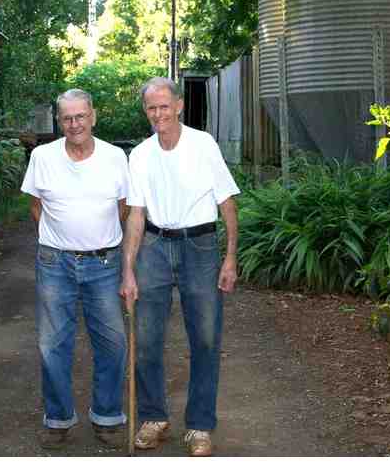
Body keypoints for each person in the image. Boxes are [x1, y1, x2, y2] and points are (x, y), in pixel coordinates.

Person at [120, 77, 240, 457]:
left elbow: (227, 203)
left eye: (164, 106)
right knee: (148, 339)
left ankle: (200, 426)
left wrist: (230, 256)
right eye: (151, 108)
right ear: (146, 112)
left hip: (200, 246)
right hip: (154, 246)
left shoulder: (203, 144)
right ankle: (154, 418)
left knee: (205, 338)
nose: (158, 114)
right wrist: (128, 269)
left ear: (179, 106)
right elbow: (136, 214)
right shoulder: (139, 155)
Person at [21, 88, 130, 449]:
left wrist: (100, 239)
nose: (74, 124)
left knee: (112, 343)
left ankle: (108, 417)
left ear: (93, 116)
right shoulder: (42, 156)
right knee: (53, 345)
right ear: (59, 121)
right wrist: (60, 239)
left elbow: (125, 208)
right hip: (55, 263)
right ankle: (58, 419)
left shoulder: (116, 158)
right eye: (67, 118)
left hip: (104, 261)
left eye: (80, 116)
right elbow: (36, 206)